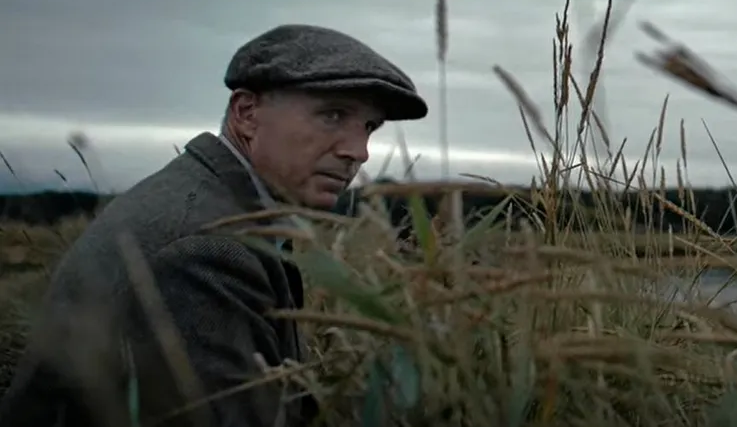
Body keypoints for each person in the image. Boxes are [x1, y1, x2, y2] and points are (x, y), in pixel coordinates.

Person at [0, 24, 429, 427]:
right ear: (247, 113)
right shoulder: (202, 248)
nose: (359, 151)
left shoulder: (216, 204)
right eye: (333, 115)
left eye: (368, 127)